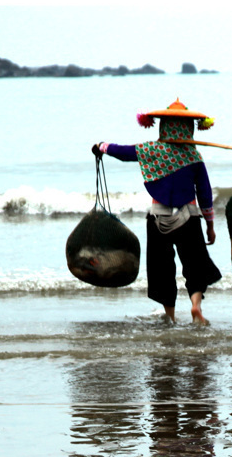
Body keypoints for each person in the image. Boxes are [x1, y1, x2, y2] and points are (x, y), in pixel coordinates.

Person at [94, 99, 221, 325]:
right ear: (188, 128)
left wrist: (102, 146)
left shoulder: (151, 150)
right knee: (195, 264)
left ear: (164, 126)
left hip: (158, 217)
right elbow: (205, 193)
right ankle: (195, 306)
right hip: (189, 218)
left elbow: (123, 152)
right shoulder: (193, 156)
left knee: (162, 268)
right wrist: (210, 225)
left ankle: (170, 317)